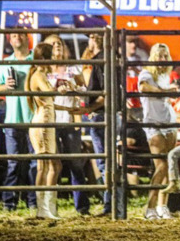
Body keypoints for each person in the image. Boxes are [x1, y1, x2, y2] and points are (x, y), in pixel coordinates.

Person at [43, 34, 90, 216]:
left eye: (59, 44)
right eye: (53, 44)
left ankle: (82, 206)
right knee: (51, 165)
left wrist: (75, 90)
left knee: (75, 164)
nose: (57, 47)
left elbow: (84, 89)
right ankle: (47, 205)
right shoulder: (43, 71)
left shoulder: (72, 68)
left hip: (69, 119)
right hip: (51, 120)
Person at [79, 33, 124, 217]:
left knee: (106, 161)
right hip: (106, 113)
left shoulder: (102, 61)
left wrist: (88, 107)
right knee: (109, 160)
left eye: (94, 36)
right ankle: (114, 204)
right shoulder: (111, 59)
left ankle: (113, 205)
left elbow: (106, 93)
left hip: (102, 114)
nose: (92, 38)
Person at [25, 42, 73, 219]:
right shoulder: (38, 75)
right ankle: (43, 208)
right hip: (43, 123)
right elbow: (49, 94)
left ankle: (47, 206)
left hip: (46, 120)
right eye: (51, 55)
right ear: (44, 58)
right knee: (45, 166)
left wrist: (67, 109)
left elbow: (48, 100)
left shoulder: (40, 74)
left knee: (52, 165)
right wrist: (59, 88)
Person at [0, 32, 38, 211]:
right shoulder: (5, 61)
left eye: (20, 35)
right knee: (14, 163)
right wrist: (6, 86)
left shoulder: (36, 59)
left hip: (34, 118)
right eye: (13, 36)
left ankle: (32, 202)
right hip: (13, 119)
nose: (16, 37)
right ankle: (9, 203)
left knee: (34, 163)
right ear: (10, 41)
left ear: (27, 38)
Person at [139, 43, 180, 220]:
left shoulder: (166, 75)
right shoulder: (146, 73)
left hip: (168, 121)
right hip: (153, 122)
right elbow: (143, 88)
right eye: (160, 56)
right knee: (161, 165)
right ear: (153, 57)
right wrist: (165, 91)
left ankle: (163, 205)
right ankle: (150, 206)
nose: (163, 59)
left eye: (165, 56)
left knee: (168, 165)